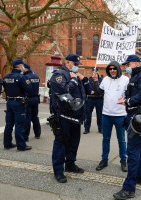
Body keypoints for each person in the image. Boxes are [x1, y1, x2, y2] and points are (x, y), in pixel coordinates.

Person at [113, 55, 141, 200]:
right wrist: (125, 100)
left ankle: (129, 189)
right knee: (137, 148)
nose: (126, 66)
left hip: (138, 118)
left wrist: (128, 101)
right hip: (132, 116)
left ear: (136, 63)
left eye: (128, 64)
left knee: (133, 150)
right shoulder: (134, 76)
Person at [49, 54, 91, 183]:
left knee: (74, 142)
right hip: (63, 116)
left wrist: (84, 80)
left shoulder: (76, 75)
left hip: (76, 116)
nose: (77, 66)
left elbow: (88, 92)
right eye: (75, 64)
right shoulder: (59, 75)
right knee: (61, 143)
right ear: (68, 62)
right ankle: (58, 170)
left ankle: (70, 164)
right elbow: (64, 91)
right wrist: (73, 80)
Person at [95, 61, 129, 172]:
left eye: (114, 68)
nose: (112, 71)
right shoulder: (105, 79)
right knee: (105, 139)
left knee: (122, 140)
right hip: (106, 115)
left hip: (120, 115)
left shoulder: (125, 79)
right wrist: (95, 81)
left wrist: (125, 101)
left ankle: (123, 161)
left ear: (118, 69)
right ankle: (104, 160)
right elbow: (98, 92)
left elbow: (130, 95)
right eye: (110, 69)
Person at [3, 59, 32, 151]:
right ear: (20, 66)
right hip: (19, 102)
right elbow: (29, 88)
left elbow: (5, 89)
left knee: (9, 124)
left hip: (9, 101)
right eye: (23, 65)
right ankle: (21, 145)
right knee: (19, 124)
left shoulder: (6, 76)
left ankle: (7, 143)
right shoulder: (21, 77)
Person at [23, 63, 41, 141]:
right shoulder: (36, 76)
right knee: (35, 117)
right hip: (36, 99)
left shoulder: (25, 77)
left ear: (26, 69)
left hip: (28, 99)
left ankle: (25, 136)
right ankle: (37, 134)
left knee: (27, 118)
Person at [83, 67, 104, 134]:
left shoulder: (101, 80)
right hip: (90, 98)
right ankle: (87, 129)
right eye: (93, 71)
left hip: (99, 98)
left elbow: (102, 89)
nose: (94, 72)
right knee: (88, 114)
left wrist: (96, 91)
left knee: (100, 114)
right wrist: (89, 91)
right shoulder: (89, 79)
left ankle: (100, 129)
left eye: (96, 71)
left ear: (98, 72)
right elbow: (86, 88)